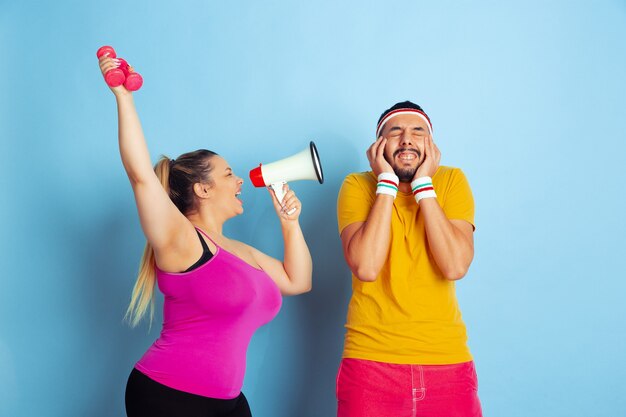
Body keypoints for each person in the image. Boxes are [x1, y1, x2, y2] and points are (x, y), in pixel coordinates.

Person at [98, 54, 312, 417]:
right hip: (168, 395)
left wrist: (290, 223)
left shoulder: (242, 252)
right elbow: (140, 175)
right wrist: (124, 97)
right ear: (202, 189)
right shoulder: (180, 240)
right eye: (229, 174)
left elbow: (298, 280)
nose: (240, 180)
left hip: (227, 401)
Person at [336, 101, 482, 417]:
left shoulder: (452, 180)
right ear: (378, 145)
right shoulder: (357, 185)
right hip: (370, 364)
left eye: (418, 131)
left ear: (430, 144)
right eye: (395, 131)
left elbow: (455, 265)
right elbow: (366, 266)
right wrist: (386, 183)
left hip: (448, 362)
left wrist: (424, 186)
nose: (406, 139)